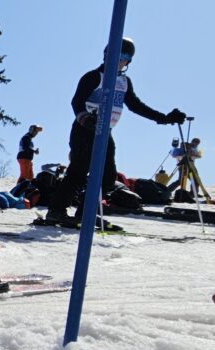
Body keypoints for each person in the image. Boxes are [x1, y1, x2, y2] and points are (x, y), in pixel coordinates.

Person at [44, 37, 185, 225]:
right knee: (79, 170)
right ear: (107, 55)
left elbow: (136, 105)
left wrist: (165, 118)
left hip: (105, 132)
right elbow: (77, 101)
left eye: (126, 57)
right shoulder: (94, 77)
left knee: (108, 176)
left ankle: (85, 213)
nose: (121, 60)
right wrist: (85, 118)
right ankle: (56, 211)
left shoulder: (124, 82)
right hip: (85, 130)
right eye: (118, 55)